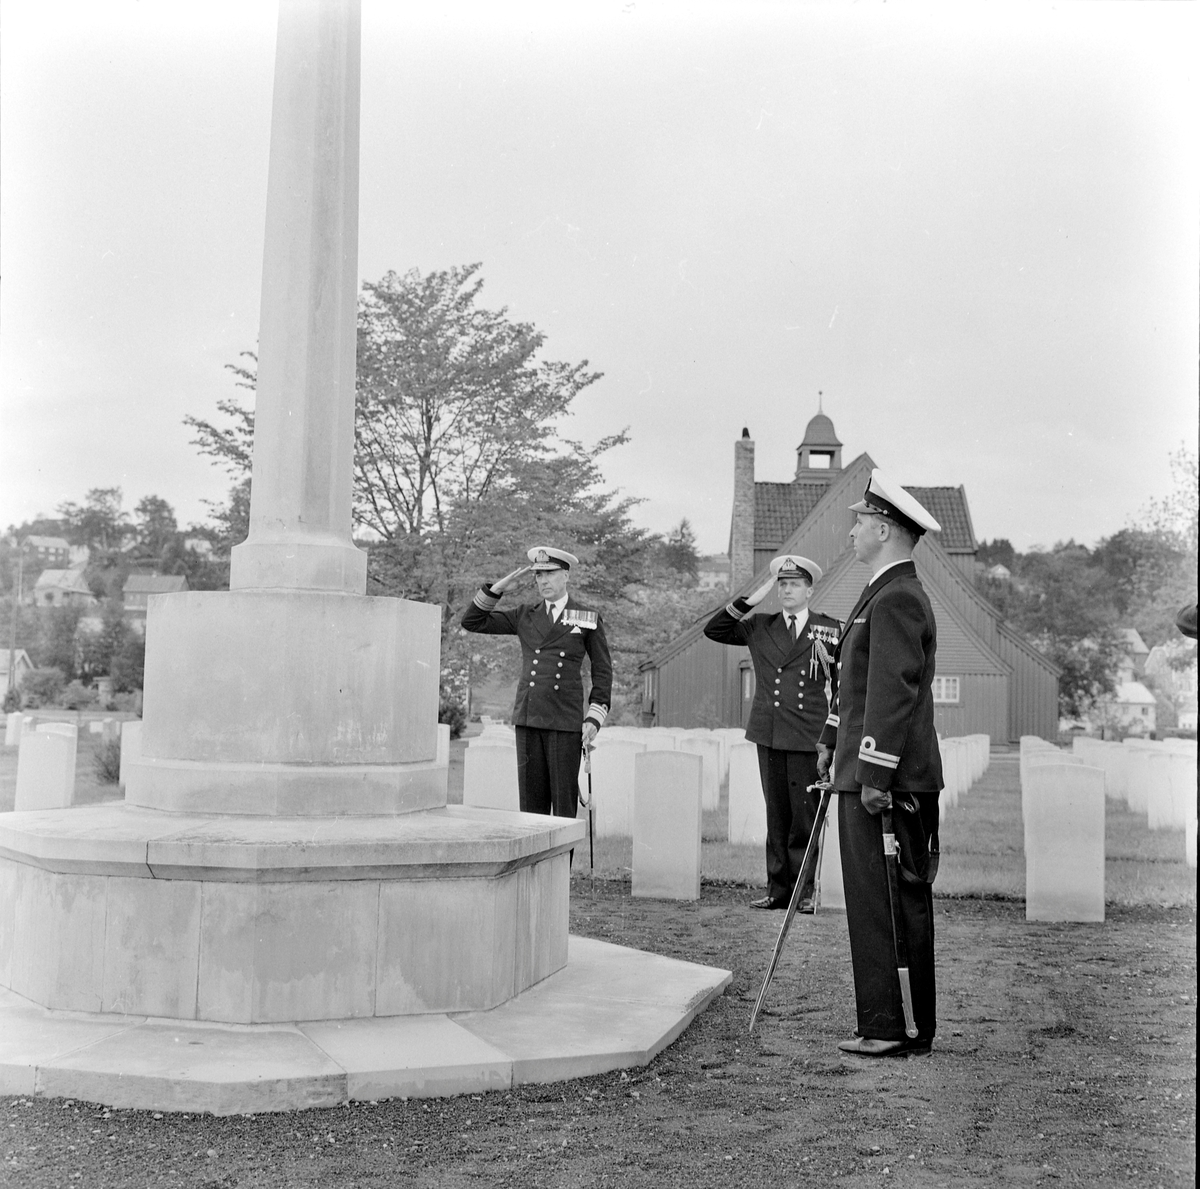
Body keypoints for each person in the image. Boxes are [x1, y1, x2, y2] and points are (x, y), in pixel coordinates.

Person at [817, 470, 944, 1058]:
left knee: (888, 902)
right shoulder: (880, 592)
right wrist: (831, 738)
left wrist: (873, 775)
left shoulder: (896, 598)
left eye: (861, 521)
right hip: (864, 773)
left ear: (886, 528)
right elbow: (858, 690)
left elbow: (894, 692)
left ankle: (894, 1027)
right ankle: (886, 1022)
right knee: (874, 902)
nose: (853, 531)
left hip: (884, 781)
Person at [704, 555, 840, 911]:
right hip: (770, 734)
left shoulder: (828, 630)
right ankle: (778, 891)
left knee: (805, 817)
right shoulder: (760, 625)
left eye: (794, 584)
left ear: (810, 589)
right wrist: (756, 593)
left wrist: (832, 736)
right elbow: (714, 629)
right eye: (781, 584)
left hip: (808, 734)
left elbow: (843, 688)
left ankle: (805, 892)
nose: (786, 590)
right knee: (776, 816)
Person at [461, 546, 612, 818]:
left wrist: (594, 717)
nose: (543, 581)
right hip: (529, 719)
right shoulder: (524, 615)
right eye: (538, 575)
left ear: (565, 576)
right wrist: (497, 589)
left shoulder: (586, 617)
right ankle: (533, 863)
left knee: (563, 810)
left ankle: (561, 863)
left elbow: (603, 670)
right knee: (530, 809)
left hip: (564, 721)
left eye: (550, 574)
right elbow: (472, 621)